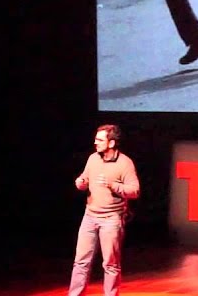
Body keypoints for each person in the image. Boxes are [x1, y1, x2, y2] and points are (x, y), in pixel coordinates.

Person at [69, 124, 140, 296]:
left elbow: (134, 191)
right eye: (96, 139)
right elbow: (84, 178)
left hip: (111, 219)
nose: (95, 142)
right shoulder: (93, 158)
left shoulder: (125, 163)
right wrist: (81, 182)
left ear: (111, 143)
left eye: (100, 140)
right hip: (90, 216)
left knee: (110, 265)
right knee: (80, 262)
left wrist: (113, 185)